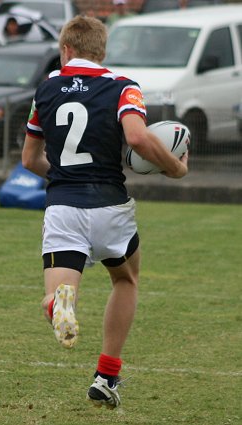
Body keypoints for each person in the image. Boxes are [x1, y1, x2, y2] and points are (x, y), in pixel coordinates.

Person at [22, 15, 188, 409]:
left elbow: (30, 159)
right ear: (102, 51)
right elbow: (135, 136)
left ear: (66, 50)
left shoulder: (46, 89)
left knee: (60, 295)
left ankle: (55, 305)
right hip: (110, 206)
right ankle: (107, 376)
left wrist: (64, 174)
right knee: (125, 280)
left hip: (63, 205)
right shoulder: (122, 87)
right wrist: (175, 167)